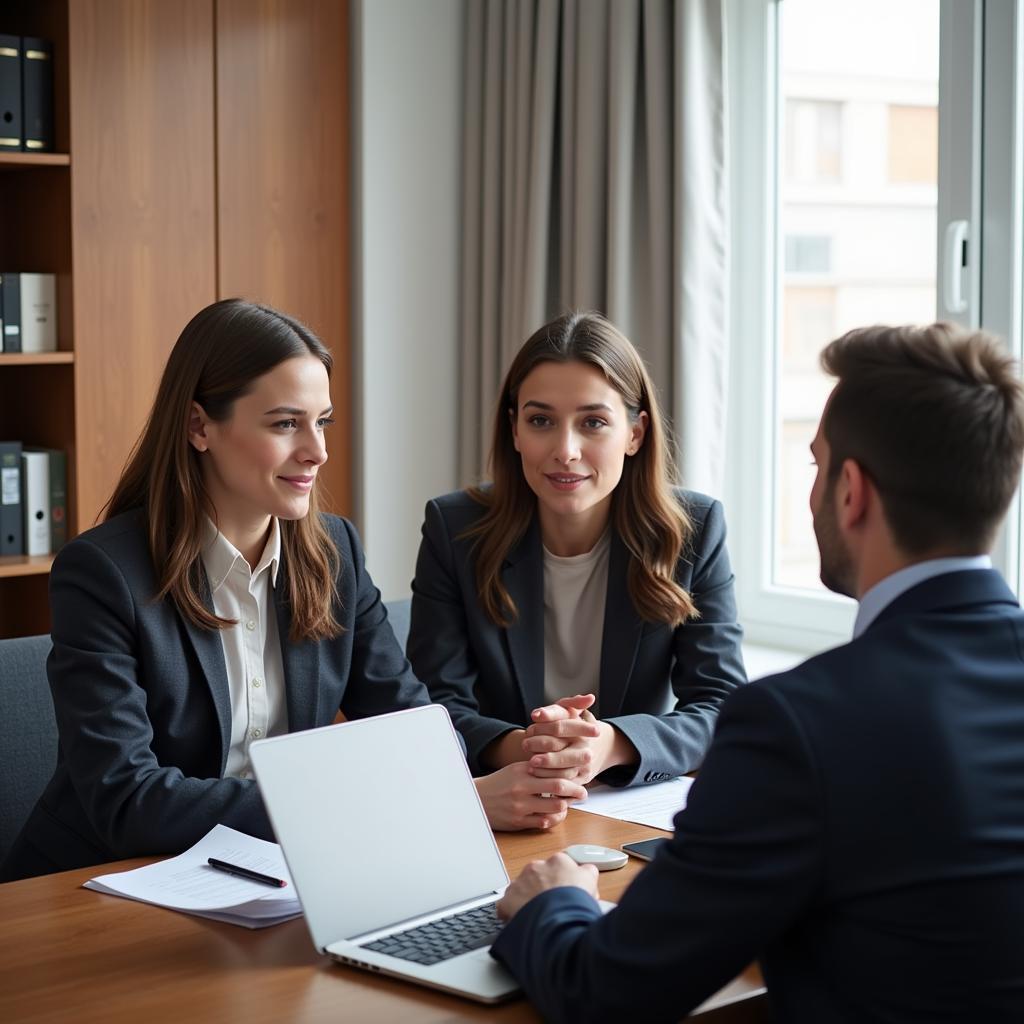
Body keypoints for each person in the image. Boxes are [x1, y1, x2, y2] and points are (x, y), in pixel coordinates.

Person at [489, 322, 1024, 1023]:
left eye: (816, 465)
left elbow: (607, 992)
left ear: (850, 492)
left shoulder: (800, 725)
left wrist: (554, 901)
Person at [0, 300, 584, 883]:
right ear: (199, 426)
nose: (317, 451)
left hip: (261, 878)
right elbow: (128, 802)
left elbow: (415, 731)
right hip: (99, 887)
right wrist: (364, 809)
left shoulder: (334, 553)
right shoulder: (103, 573)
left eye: (322, 421)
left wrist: (522, 754)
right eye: (285, 424)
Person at [408, 312, 746, 792]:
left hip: (625, 803)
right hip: (504, 794)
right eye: (541, 420)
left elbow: (721, 705)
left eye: (593, 422)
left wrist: (611, 744)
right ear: (515, 430)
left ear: (635, 434)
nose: (565, 450)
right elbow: (432, 704)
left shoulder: (692, 530)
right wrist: (530, 746)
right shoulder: (456, 528)